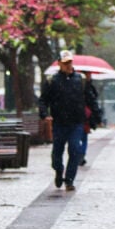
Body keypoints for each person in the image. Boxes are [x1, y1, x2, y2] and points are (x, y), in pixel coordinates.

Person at [38, 50, 101, 191]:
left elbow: (90, 99)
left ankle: (70, 180)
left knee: (75, 150)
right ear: (59, 63)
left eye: (70, 62)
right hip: (59, 123)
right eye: (65, 63)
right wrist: (44, 114)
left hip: (76, 122)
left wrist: (96, 116)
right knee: (57, 153)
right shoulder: (52, 81)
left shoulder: (81, 80)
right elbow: (43, 100)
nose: (68, 65)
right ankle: (59, 170)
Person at [79, 71, 100, 166]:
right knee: (81, 136)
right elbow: (93, 99)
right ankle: (80, 154)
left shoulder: (87, 85)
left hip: (84, 115)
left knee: (82, 136)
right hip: (83, 114)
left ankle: (80, 154)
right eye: (89, 74)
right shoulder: (87, 86)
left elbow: (94, 99)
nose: (90, 76)